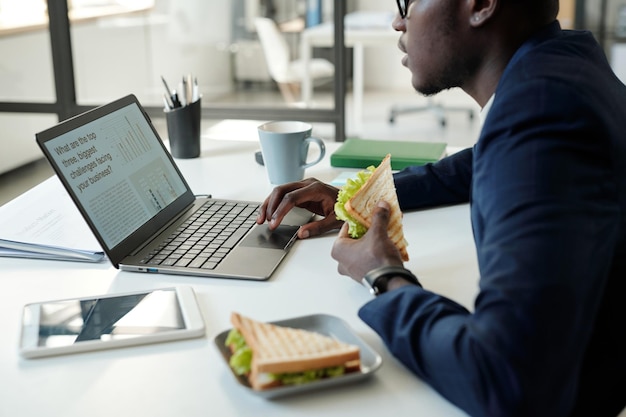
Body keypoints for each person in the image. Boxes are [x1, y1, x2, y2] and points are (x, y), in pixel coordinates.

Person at [256, 0, 626, 415]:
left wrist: (383, 274)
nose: (398, 21)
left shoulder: (541, 117)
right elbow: (478, 161)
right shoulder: (561, 66)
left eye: (409, 2)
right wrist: (355, 196)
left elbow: (507, 380)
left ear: (483, 5)